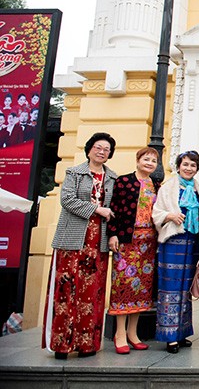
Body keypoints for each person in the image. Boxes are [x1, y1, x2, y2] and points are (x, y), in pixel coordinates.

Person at [42, 132, 118, 359]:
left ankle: (87, 344)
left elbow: (115, 208)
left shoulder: (112, 178)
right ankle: (61, 345)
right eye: (98, 147)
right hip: (73, 241)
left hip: (98, 243)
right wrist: (97, 209)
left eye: (106, 149)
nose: (101, 151)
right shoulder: (74, 173)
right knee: (67, 291)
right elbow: (67, 200)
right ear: (89, 149)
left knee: (92, 293)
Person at [107, 147, 160, 354]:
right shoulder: (123, 181)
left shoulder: (155, 184)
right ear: (138, 160)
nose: (149, 163)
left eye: (153, 161)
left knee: (142, 288)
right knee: (123, 285)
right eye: (146, 159)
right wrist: (113, 234)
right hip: (127, 240)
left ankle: (133, 332)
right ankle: (119, 333)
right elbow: (115, 208)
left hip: (148, 241)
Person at [152, 150, 199, 353]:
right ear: (178, 166)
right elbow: (156, 212)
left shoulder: (198, 187)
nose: (188, 168)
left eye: (193, 165)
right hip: (173, 240)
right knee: (170, 287)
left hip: (192, 241)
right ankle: (169, 336)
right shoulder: (168, 187)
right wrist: (170, 216)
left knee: (186, 287)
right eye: (185, 164)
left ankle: (182, 332)